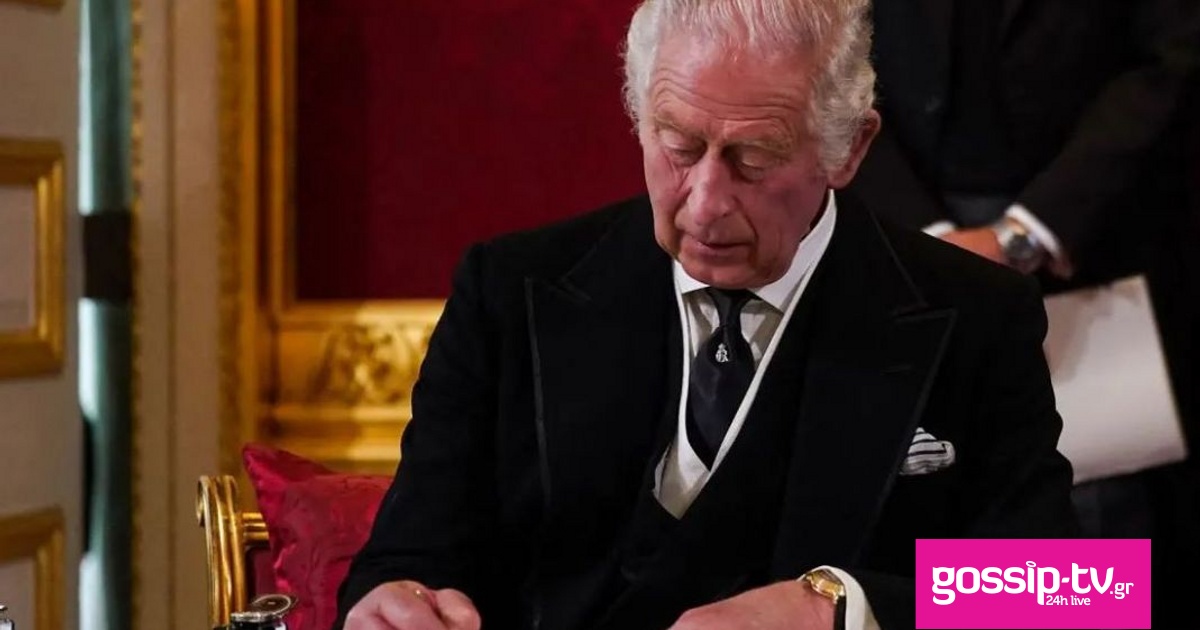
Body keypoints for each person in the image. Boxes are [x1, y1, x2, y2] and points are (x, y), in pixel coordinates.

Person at [335, 1, 1078, 628]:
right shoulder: (509, 291)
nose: (706, 203)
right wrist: (392, 603)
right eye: (679, 146)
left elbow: (1074, 592)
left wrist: (840, 606)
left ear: (850, 149)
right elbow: (406, 561)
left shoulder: (976, 314)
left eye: (754, 157)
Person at [846, 0, 1200, 623]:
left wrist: (1029, 232)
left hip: (1092, 238)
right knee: (924, 520)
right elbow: (829, 57)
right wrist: (932, 240)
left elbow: (1174, 55)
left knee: (1093, 548)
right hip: (897, 233)